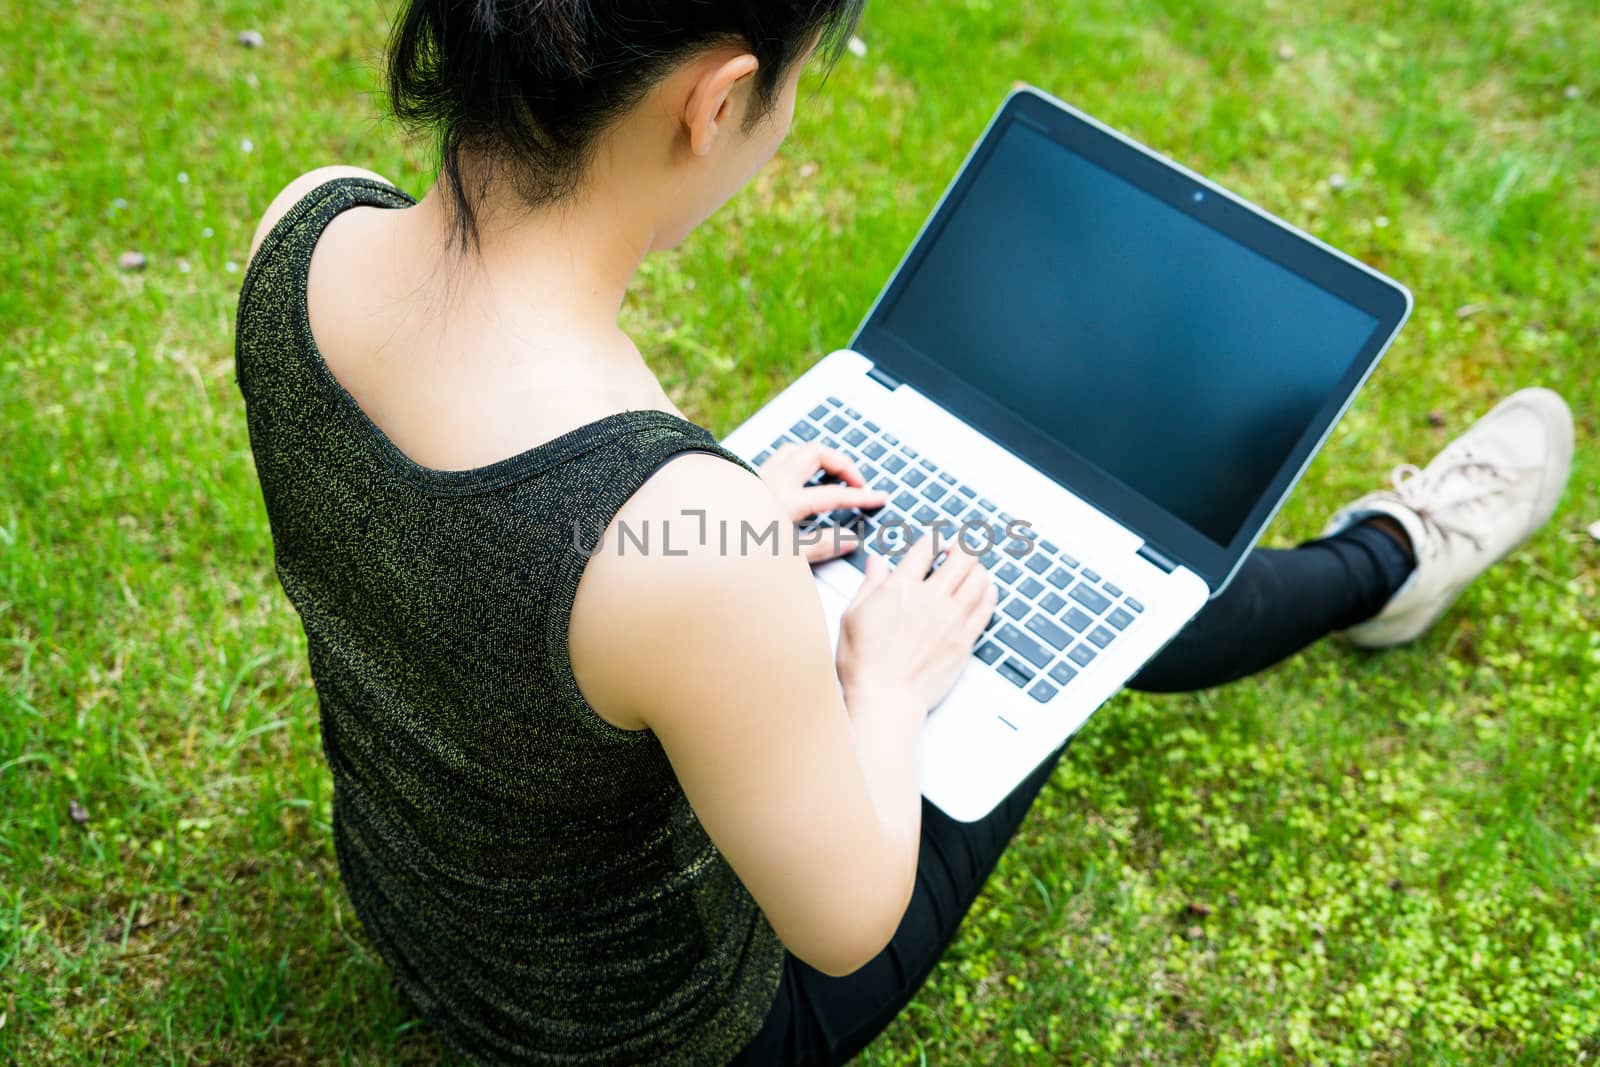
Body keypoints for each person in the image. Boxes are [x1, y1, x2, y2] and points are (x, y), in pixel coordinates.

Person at [231, 1, 1575, 1063]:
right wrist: (886, 677)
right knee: (1054, 596)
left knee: (1050, 570)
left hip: (422, 922)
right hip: (647, 1038)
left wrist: (710, 551)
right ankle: (1383, 563)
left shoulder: (305, 228)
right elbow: (844, 923)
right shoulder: (677, 531)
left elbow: (463, 557)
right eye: (803, 77)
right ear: (715, 101)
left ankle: (1357, 565)